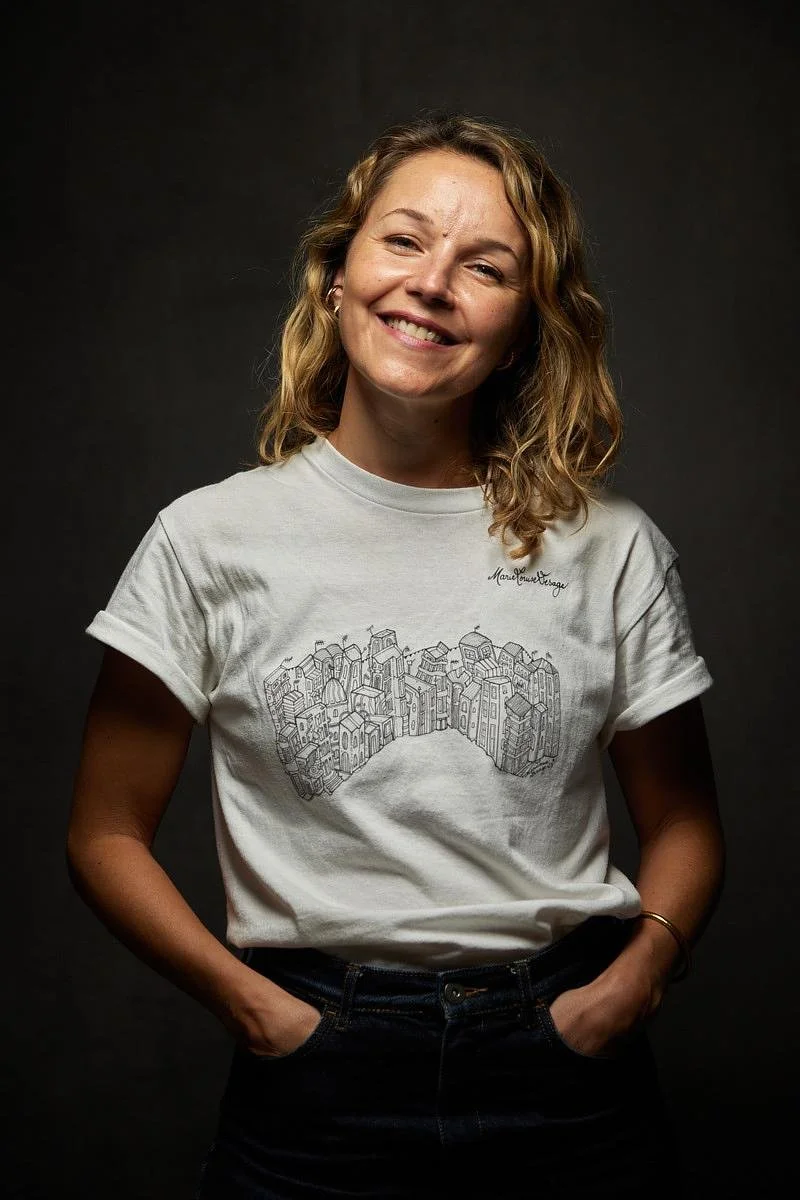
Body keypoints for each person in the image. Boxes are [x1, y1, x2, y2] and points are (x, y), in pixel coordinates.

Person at [67, 112, 725, 1199]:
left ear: (523, 326)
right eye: (404, 240)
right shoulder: (206, 540)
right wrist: (252, 1006)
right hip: (314, 1068)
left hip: (566, 1070)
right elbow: (103, 831)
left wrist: (638, 974)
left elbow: (686, 821)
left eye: (486, 267)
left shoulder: (611, 548)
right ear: (337, 277)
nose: (431, 284)